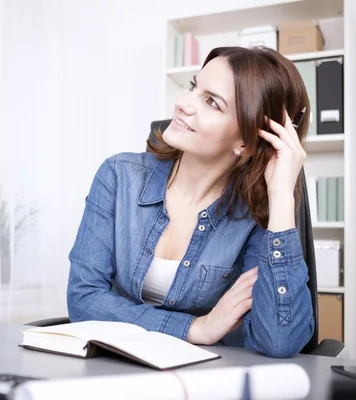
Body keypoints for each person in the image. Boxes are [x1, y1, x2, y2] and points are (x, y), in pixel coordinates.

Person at [66, 46, 315, 358]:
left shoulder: (254, 215)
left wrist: (280, 198)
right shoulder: (119, 177)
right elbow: (84, 299)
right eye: (194, 88)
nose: (182, 104)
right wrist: (197, 328)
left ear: (247, 141)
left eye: (211, 102)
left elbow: (279, 340)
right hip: (116, 373)